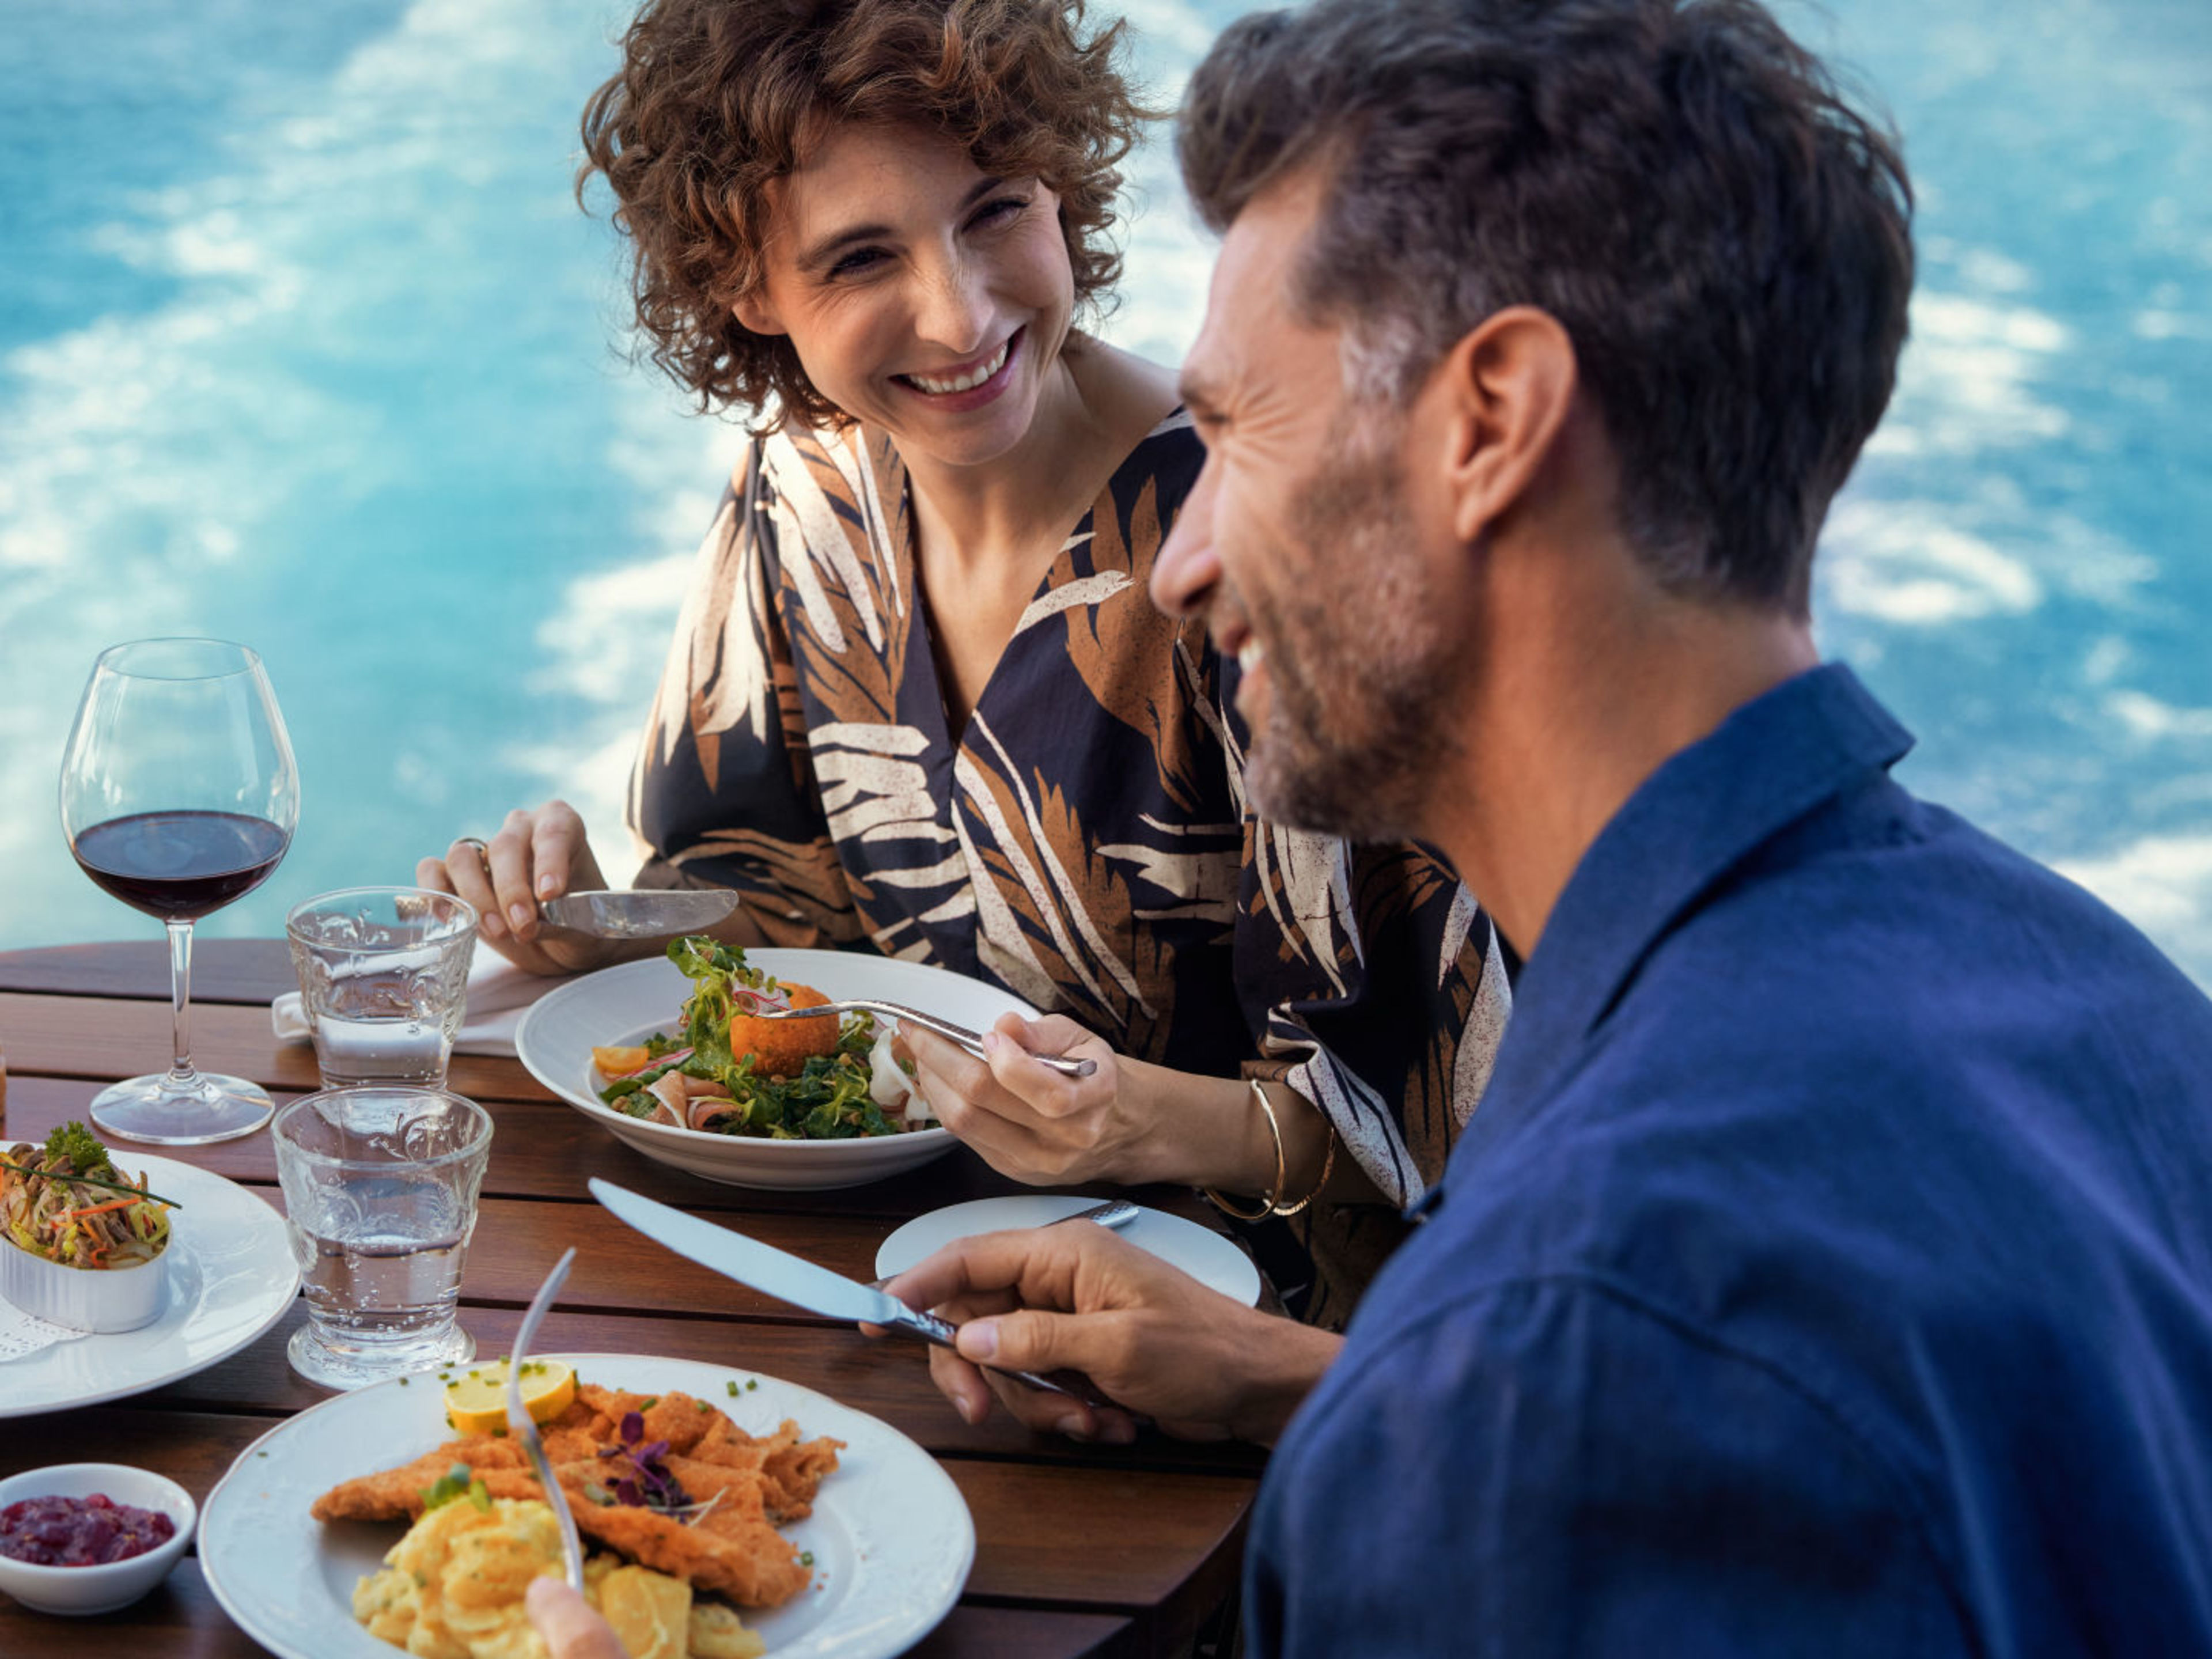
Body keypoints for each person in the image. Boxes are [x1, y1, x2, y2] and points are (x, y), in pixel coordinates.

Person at [868, 0, 2212, 1652]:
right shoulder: (2110, 1004)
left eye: (1234, 434)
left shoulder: (1563, 1349)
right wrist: (1340, 1397)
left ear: (1495, 419)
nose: (1176, 560)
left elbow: (1606, 1405)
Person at [419, 0, 1510, 1323]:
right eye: (861, 259)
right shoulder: (805, 493)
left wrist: (1134, 1127)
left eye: (995, 211)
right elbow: (785, 919)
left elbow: (1453, 1111)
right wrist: (604, 928)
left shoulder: (1256, 545)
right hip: (892, 1288)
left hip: (1249, 1349)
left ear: (1064, 185)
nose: (959, 315)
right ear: (745, 288)